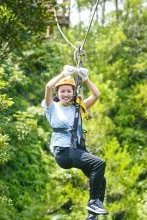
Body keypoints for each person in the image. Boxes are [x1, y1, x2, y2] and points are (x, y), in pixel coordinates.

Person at [41, 65, 108, 219]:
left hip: (76, 150)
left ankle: (92, 215)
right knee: (99, 163)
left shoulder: (77, 107)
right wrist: (63, 74)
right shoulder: (51, 107)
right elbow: (48, 86)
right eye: (62, 91)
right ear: (58, 93)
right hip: (64, 152)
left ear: (73, 93)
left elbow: (96, 95)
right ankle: (93, 203)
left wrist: (85, 79)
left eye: (69, 91)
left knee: (101, 179)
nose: (65, 94)